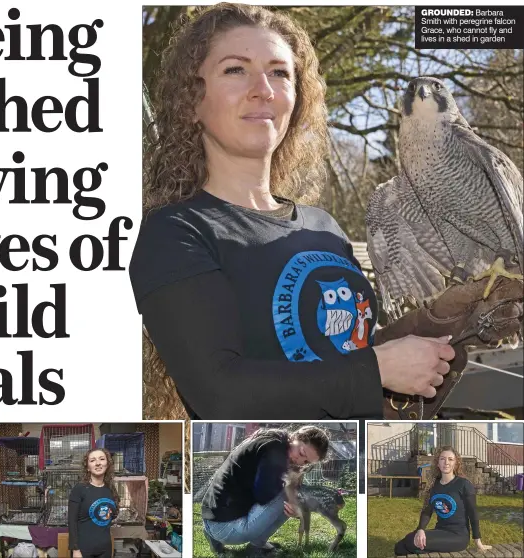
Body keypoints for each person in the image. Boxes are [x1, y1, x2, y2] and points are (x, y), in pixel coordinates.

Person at [130, 3, 456, 420]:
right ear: (192, 101)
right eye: (235, 70)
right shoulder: (175, 234)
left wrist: (431, 337)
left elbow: (343, 352)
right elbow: (220, 394)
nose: (262, 89)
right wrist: (379, 368)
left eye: (279, 72)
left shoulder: (324, 228)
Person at [201, 425, 329, 555]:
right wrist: (293, 502)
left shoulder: (273, 438)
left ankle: (217, 539)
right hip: (226, 528)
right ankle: (257, 546)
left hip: (211, 519)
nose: (300, 461)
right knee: (289, 495)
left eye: (306, 462)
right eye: (302, 453)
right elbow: (263, 495)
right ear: (297, 437)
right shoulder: (275, 451)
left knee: (287, 492)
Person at [394, 446, 492, 556]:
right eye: (442, 459)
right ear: (437, 463)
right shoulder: (433, 485)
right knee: (399, 547)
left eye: (450, 459)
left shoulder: (464, 484)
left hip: (458, 536)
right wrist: (420, 529)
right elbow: (427, 511)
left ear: (456, 463)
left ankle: (425, 549)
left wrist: (477, 541)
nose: (446, 462)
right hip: (440, 531)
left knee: (410, 542)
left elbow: (473, 513)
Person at [68, 448, 120, 558]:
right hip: (83, 549)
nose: (97, 463)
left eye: (102, 459)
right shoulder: (80, 489)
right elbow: (72, 522)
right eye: (92, 460)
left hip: (105, 548)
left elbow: (112, 514)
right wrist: (75, 549)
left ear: (107, 464)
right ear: (87, 467)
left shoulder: (110, 489)